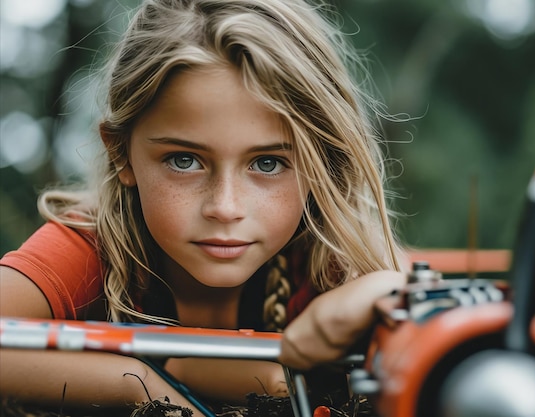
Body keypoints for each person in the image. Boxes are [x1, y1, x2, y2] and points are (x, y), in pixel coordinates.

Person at [0, 0, 407, 414]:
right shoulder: (88, 247)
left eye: (268, 163)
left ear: (323, 163)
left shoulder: (329, 254)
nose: (225, 207)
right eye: (184, 160)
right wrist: (139, 383)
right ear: (121, 153)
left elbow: (434, 310)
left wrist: (386, 289)